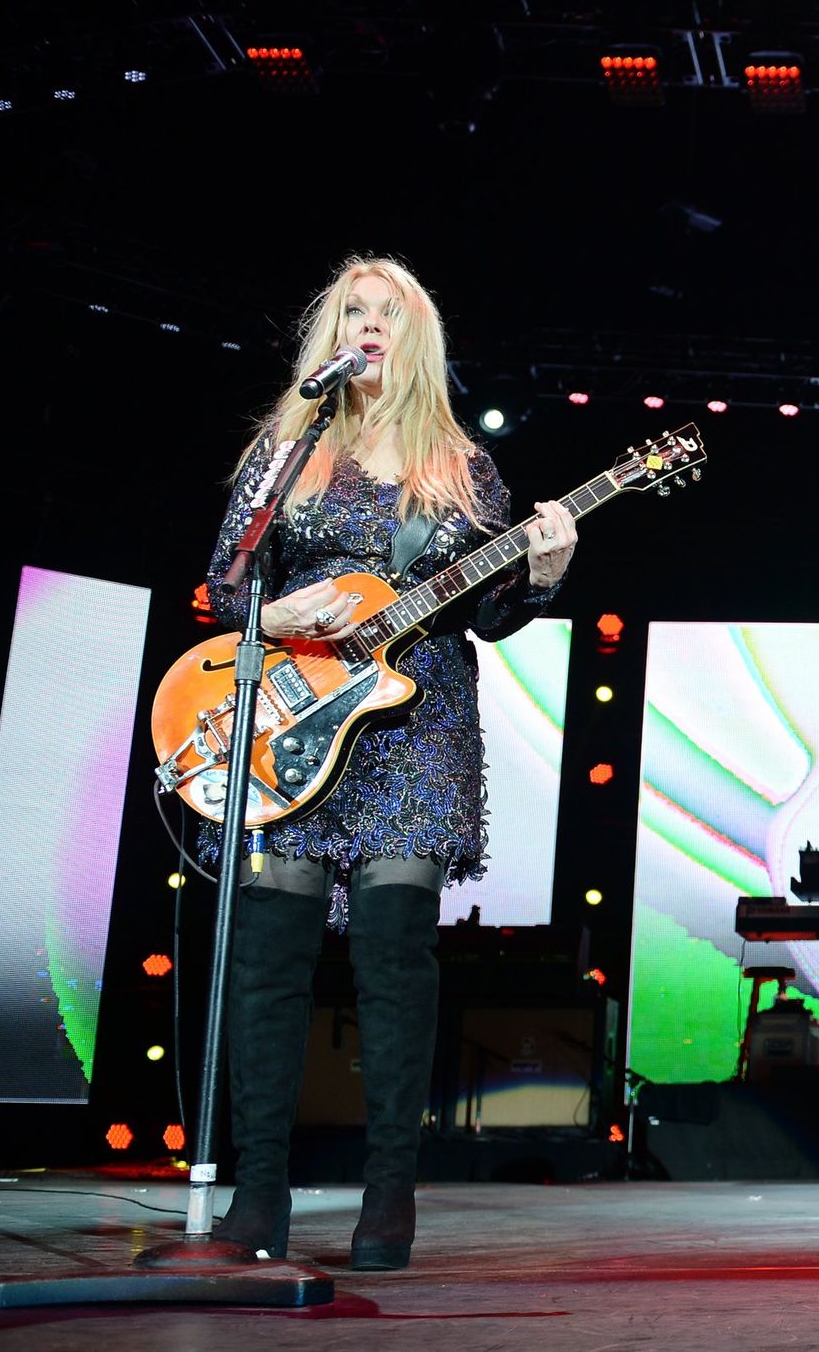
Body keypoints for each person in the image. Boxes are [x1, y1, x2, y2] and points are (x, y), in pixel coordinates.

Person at [202, 257, 576, 1267]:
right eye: (351, 312)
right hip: (297, 709)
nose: (368, 326)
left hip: (416, 723)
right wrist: (265, 610)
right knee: (268, 960)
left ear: (417, 340)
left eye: (387, 315)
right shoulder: (286, 449)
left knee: (393, 959)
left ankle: (388, 1197)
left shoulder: (460, 464)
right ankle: (257, 1195)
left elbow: (489, 613)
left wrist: (541, 574)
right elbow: (225, 579)